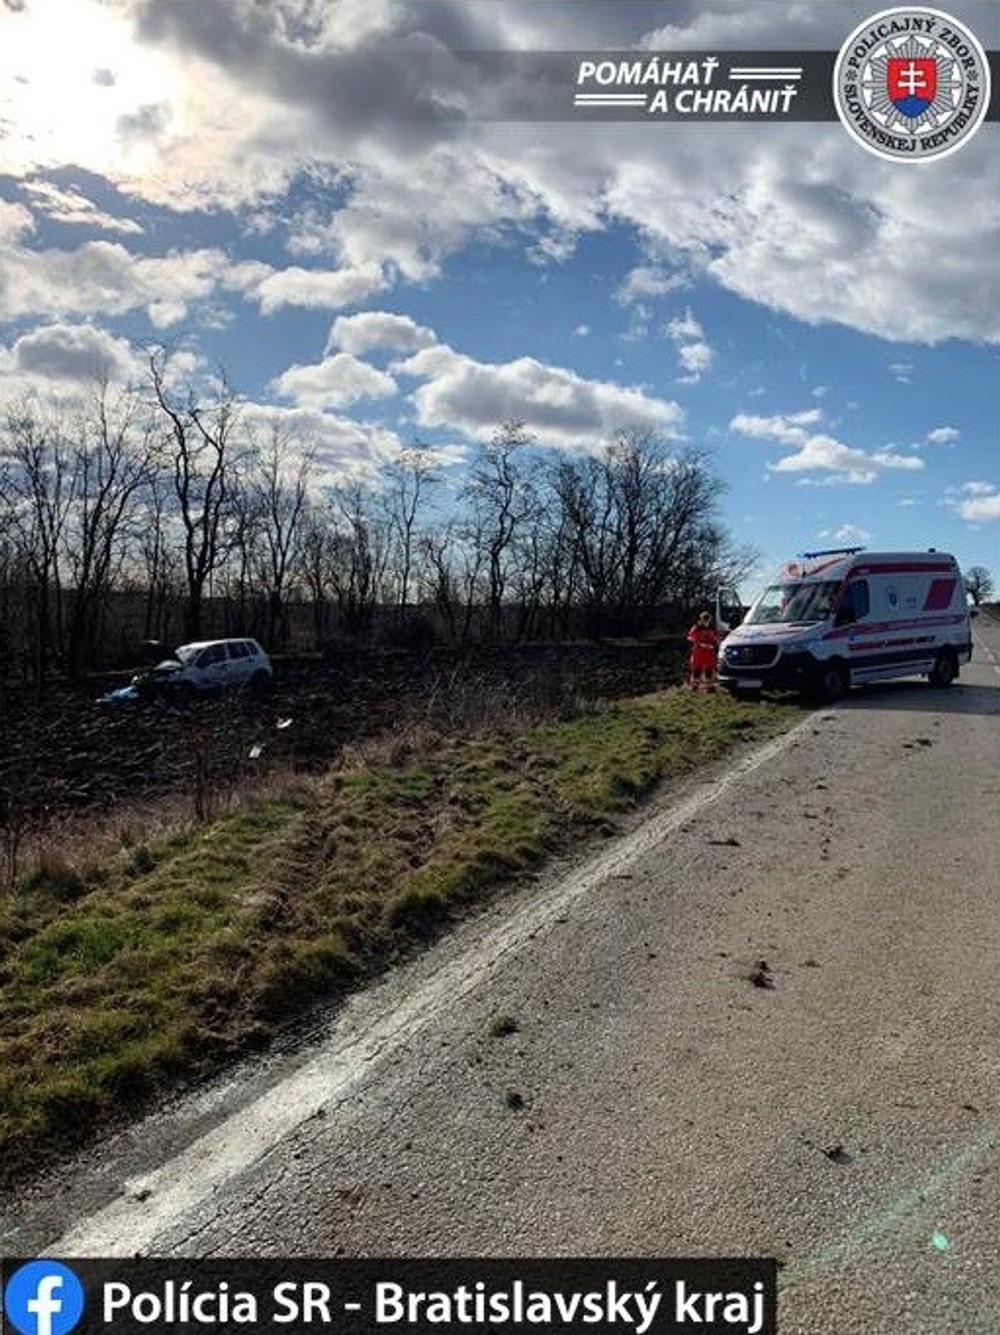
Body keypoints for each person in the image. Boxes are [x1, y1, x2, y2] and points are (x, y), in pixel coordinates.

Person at [686, 609, 720, 691]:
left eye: (707, 620)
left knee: (709, 669)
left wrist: (714, 644)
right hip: (698, 651)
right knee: (697, 668)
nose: (706, 621)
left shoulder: (712, 628)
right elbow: (690, 637)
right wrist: (700, 644)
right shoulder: (696, 628)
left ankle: (710, 686)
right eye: (704, 619)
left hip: (709, 652)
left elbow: (715, 638)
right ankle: (695, 686)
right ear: (701, 619)